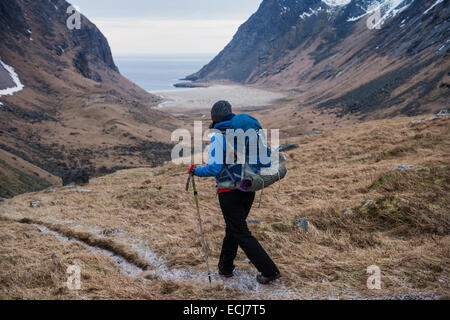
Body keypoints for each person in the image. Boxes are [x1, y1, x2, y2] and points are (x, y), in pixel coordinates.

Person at [188, 100, 281, 285]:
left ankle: (269, 271)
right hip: (249, 187)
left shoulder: (219, 137)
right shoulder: (245, 133)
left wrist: (195, 171)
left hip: (229, 192)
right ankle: (225, 268)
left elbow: (214, 168)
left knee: (239, 230)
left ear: (215, 119)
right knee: (234, 229)